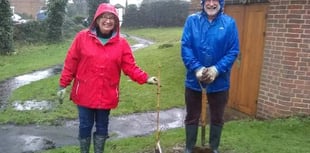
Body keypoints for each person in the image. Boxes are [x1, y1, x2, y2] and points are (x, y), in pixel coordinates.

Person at [56, 3, 158, 153]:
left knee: (102, 126)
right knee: (85, 125)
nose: (108, 21)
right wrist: (63, 85)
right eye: (104, 17)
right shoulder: (82, 38)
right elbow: (71, 62)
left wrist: (146, 78)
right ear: (97, 20)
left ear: (116, 22)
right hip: (84, 93)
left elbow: (130, 67)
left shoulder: (121, 44)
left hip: (107, 94)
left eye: (112, 18)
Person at [180, 0, 240, 153]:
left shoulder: (229, 23)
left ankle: (214, 147)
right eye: (208, 0)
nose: (211, 4)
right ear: (203, 3)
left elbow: (233, 51)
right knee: (192, 115)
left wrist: (216, 70)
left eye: (215, 0)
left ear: (221, 3)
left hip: (220, 82)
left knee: (217, 116)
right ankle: (189, 147)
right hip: (194, 81)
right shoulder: (192, 21)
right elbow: (186, 47)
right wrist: (197, 68)